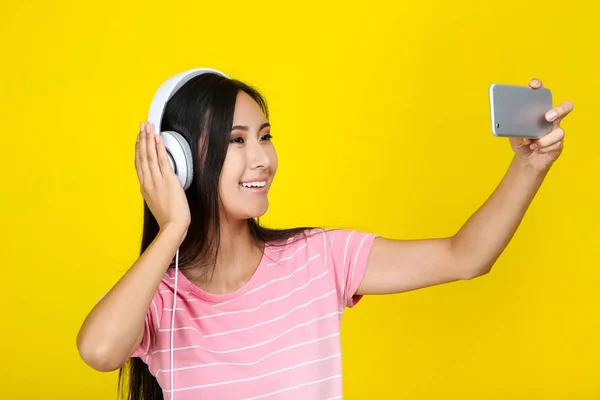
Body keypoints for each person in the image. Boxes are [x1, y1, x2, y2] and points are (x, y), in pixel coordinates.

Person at [76, 70, 573, 400]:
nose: (262, 159)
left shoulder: (318, 257)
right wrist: (173, 227)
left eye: (265, 136)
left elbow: (464, 257)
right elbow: (99, 352)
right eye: (236, 140)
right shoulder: (161, 297)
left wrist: (529, 166)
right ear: (179, 163)